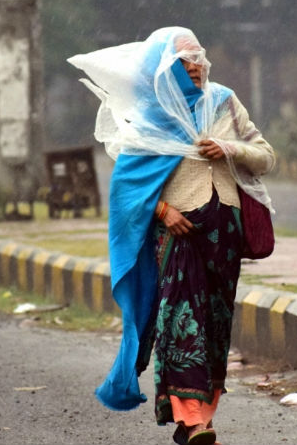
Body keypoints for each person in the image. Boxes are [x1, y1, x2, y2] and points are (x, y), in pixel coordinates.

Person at [69, 26, 274, 445]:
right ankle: (193, 418)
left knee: (216, 324)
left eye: (199, 58)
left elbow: (266, 156)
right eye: (185, 61)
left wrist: (230, 148)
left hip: (225, 231)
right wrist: (162, 210)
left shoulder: (223, 101)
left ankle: (199, 416)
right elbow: (128, 186)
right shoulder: (151, 114)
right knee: (182, 322)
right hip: (178, 235)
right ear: (163, 67)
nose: (196, 67)